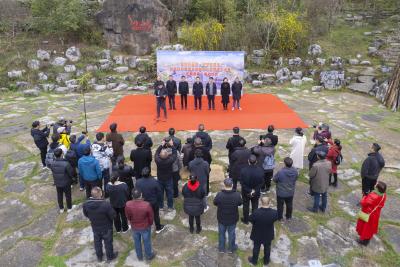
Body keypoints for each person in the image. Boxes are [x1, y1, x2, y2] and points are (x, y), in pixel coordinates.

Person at [83, 187, 118, 263]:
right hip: (106, 227)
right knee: (108, 243)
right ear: (100, 193)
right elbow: (113, 216)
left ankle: (99, 257)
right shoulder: (106, 204)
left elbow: (86, 214)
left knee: (97, 242)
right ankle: (110, 256)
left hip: (95, 226)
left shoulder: (86, 204)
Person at [125, 189, 156, 262]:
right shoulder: (146, 205)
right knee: (147, 241)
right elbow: (151, 217)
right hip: (145, 226)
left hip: (134, 226)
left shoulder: (128, 204)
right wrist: (150, 223)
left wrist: (130, 221)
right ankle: (149, 255)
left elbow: (128, 216)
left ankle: (139, 256)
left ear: (132, 196)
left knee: (137, 241)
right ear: (141, 195)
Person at [213, 178, 243, 253]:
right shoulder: (237, 195)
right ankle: (231, 248)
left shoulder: (219, 195)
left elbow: (215, 203)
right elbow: (240, 203)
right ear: (232, 185)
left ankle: (221, 248)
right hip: (232, 219)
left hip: (221, 218)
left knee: (221, 234)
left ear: (224, 185)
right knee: (231, 234)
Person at [248, 196, 278, 266]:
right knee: (267, 248)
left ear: (261, 203)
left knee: (256, 248)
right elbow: (275, 219)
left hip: (257, 233)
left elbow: (250, 219)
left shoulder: (256, 212)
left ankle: (254, 261)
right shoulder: (274, 213)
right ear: (269, 203)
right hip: (268, 234)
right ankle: (266, 261)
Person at [356, 181, 387, 246]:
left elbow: (364, 202)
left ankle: (363, 241)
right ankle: (367, 239)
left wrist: (364, 196)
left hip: (368, 213)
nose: (375, 184)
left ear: (378, 188)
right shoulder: (384, 195)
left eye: (376, 184)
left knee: (365, 227)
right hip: (375, 214)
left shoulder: (373, 196)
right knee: (370, 228)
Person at [136, 167, 165, 234]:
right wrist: (160, 201)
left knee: (144, 215)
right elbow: (159, 193)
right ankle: (158, 228)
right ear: (150, 173)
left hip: (143, 202)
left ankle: (145, 227)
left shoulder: (138, 182)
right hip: (153, 202)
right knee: (156, 215)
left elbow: (137, 192)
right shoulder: (155, 181)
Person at [240, 155, 264, 224]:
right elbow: (262, 183)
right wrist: (254, 190)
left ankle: (246, 220)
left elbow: (242, 183)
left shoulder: (243, 170)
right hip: (256, 192)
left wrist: (250, 190)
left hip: (246, 191)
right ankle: (254, 220)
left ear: (248, 161)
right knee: (255, 205)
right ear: (256, 162)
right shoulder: (260, 170)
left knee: (246, 205)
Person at [50, 148, 75, 213]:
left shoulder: (52, 163)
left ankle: (61, 208)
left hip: (57, 182)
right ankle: (69, 207)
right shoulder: (66, 163)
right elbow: (71, 173)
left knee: (59, 195)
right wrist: (73, 179)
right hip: (66, 182)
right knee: (68, 195)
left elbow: (53, 171)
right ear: (62, 154)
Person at [155, 143, 177, 211]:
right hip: (168, 178)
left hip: (160, 178)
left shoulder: (157, 160)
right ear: (167, 155)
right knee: (169, 193)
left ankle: (161, 206)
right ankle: (170, 206)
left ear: (160, 156)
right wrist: (172, 145)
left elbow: (156, 153)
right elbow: (175, 154)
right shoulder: (170, 160)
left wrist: (161, 145)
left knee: (160, 193)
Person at [167, 129, 182, 198]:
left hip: (167, 167)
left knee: (168, 181)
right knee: (175, 182)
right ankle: (175, 194)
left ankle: (169, 193)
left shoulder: (165, 139)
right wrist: (179, 168)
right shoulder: (178, 140)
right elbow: (179, 150)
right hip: (175, 167)